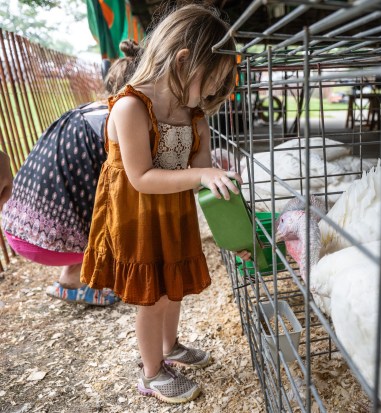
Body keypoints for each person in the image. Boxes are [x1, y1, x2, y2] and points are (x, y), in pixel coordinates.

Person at [79, 5, 249, 404]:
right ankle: (152, 373)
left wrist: (233, 228)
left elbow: (202, 174)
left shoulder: (195, 117)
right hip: (138, 217)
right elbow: (141, 177)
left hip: (174, 214)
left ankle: (169, 348)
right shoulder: (131, 106)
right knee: (153, 298)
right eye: (213, 79)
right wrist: (200, 175)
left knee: (173, 290)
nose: (213, 92)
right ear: (184, 60)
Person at [1, 40, 141, 306]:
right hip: (49, 245)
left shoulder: (89, 111)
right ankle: (88, 279)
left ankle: (71, 277)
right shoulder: (119, 122)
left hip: (15, 229)